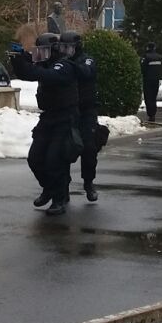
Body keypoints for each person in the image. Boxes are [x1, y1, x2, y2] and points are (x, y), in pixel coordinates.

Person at [8, 32, 81, 215]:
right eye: (38, 51)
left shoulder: (64, 66)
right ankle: (48, 188)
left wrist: (23, 61)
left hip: (65, 118)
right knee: (34, 158)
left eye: (43, 51)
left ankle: (59, 199)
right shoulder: (45, 64)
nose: (40, 55)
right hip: (48, 117)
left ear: (54, 50)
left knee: (54, 160)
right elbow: (26, 72)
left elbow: (41, 74)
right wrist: (17, 58)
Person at [65, 31, 104, 203]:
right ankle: (62, 187)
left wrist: (69, 64)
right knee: (63, 149)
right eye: (63, 47)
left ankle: (89, 183)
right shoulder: (62, 63)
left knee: (89, 148)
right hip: (68, 110)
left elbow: (86, 72)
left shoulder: (86, 60)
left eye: (69, 47)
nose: (66, 51)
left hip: (87, 111)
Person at [140, 45, 162, 122]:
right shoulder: (160, 57)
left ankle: (150, 114)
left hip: (147, 79)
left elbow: (142, 68)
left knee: (148, 97)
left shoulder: (146, 57)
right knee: (154, 97)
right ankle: (153, 114)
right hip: (156, 79)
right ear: (154, 48)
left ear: (148, 48)